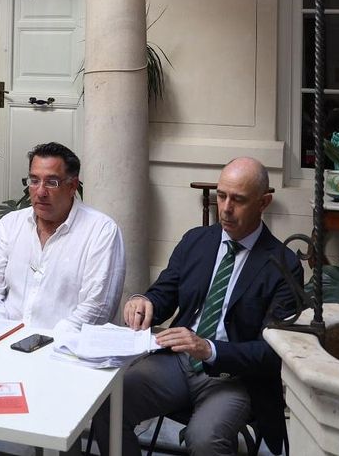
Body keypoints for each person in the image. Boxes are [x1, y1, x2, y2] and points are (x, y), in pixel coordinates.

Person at [95, 157, 299, 456]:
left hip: (235, 379)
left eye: (238, 200)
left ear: (263, 202)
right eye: (221, 195)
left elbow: (272, 352)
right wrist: (144, 301)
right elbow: (165, 292)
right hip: (177, 363)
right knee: (107, 404)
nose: (225, 208)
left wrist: (209, 349)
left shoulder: (283, 264)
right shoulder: (197, 241)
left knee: (205, 439)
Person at [0, 142, 125, 331]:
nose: (41, 192)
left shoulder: (101, 231)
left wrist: (46, 344)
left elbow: (97, 309)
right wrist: (1, 334)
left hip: (65, 349)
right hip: (4, 341)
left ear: (72, 186)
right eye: (34, 180)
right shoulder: (10, 225)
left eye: (52, 182)